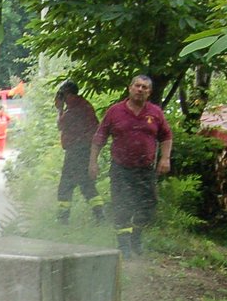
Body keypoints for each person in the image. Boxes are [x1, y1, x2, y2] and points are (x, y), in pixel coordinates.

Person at [88, 73, 173, 257]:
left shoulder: (155, 113)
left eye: (145, 87)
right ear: (130, 88)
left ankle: (136, 236)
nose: (140, 89)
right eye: (137, 85)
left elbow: (166, 136)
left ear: (149, 92)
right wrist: (93, 162)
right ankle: (123, 245)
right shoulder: (115, 111)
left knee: (149, 205)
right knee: (122, 205)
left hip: (145, 168)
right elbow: (99, 138)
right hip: (121, 167)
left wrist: (165, 158)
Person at [54, 80, 103, 225]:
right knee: (86, 184)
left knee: (65, 185)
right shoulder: (84, 105)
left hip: (77, 151)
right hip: (85, 150)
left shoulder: (74, 109)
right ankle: (100, 216)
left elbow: (60, 125)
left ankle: (62, 220)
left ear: (66, 94)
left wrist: (59, 109)